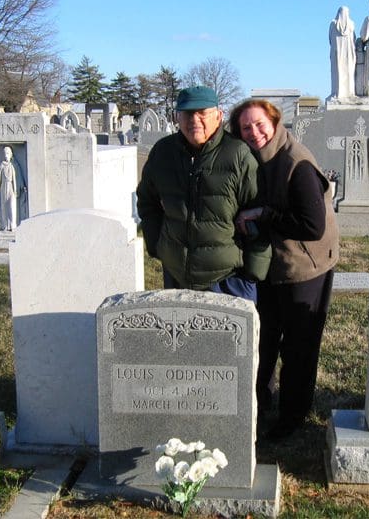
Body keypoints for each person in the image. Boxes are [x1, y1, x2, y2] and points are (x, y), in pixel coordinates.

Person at [229, 99, 339, 440]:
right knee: (264, 340)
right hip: (270, 264)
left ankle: (292, 418)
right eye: (246, 127)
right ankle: (261, 406)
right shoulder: (251, 158)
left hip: (305, 264)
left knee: (298, 346)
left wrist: (264, 216)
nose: (254, 132)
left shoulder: (296, 162)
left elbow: (312, 226)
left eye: (260, 124)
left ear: (275, 122)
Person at [136, 86, 271, 301]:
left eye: (203, 113)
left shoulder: (238, 154)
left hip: (228, 278)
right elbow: (147, 201)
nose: (195, 120)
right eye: (187, 114)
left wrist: (253, 273)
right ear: (176, 117)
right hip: (176, 274)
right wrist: (156, 245)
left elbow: (258, 212)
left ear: (218, 116)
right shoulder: (163, 152)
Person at [0, 145, 26, 231]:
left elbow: (19, 176)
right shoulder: (2, 165)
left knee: (12, 206)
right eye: (5, 153)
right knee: (4, 207)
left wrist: (22, 186)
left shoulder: (14, 165)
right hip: (3, 187)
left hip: (12, 188)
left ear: (11, 154)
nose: (6, 155)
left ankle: (13, 226)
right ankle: (5, 226)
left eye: (8, 153)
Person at [329, 6, 356, 99]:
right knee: (348, 73)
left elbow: (330, 39)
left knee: (337, 73)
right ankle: (349, 93)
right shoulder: (351, 24)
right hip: (348, 54)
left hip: (337, 53)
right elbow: (354, 39)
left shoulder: (333, 23)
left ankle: (337, 92)